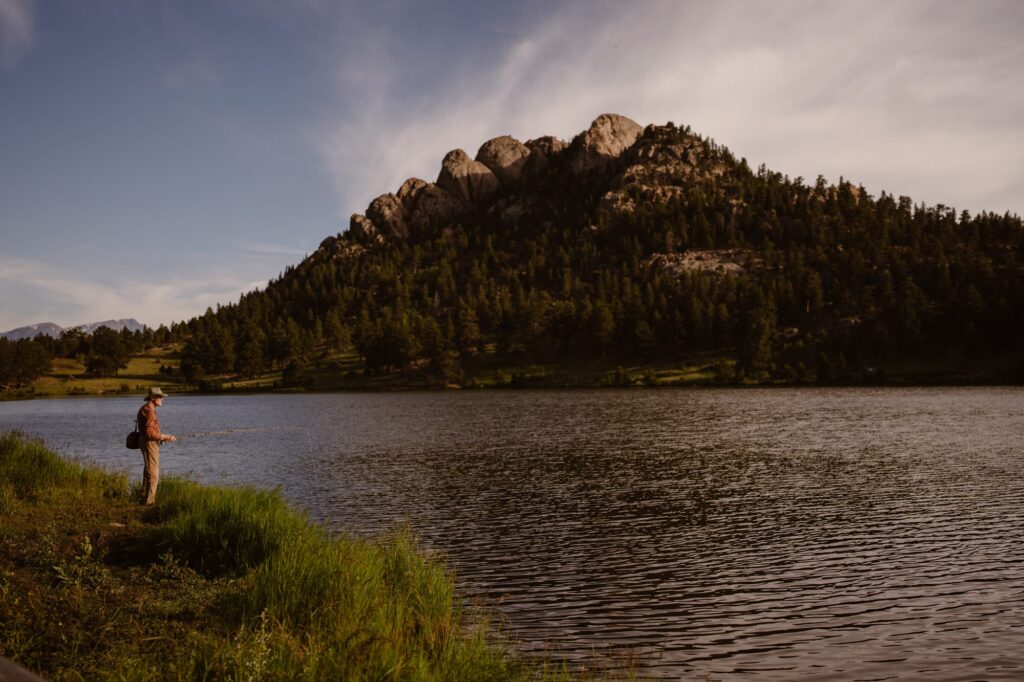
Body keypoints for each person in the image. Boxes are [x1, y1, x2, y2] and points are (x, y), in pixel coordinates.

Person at [137, 387, 176, 505]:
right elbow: (149, 433)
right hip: (150, 444)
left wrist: (162, 438)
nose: (162, 399)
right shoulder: (150, 410)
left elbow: (149, 432)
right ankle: (149, 503)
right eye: (160, 397)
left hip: (147, 442)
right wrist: (165, 436)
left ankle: (143, 497)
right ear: (153, 398)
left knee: (148, 471)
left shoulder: (147, 408)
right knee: (154, 474)